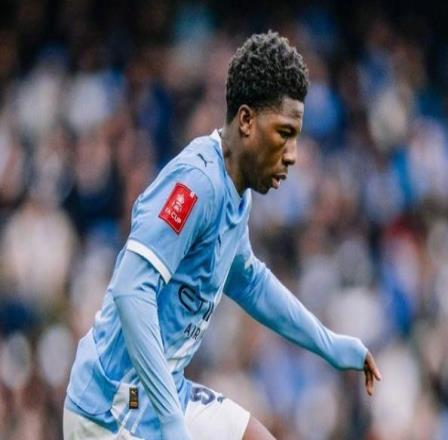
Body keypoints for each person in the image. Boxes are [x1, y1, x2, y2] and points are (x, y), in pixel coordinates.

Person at [64, 31, 382, 440]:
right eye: (284, 133)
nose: (292, 155)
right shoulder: (196, 183)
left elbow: (248, 280)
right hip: (112, 407)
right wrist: (172, 421)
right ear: (246, 121)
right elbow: (130, 290)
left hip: (159, 395)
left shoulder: (235, 192)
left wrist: (330, 344)